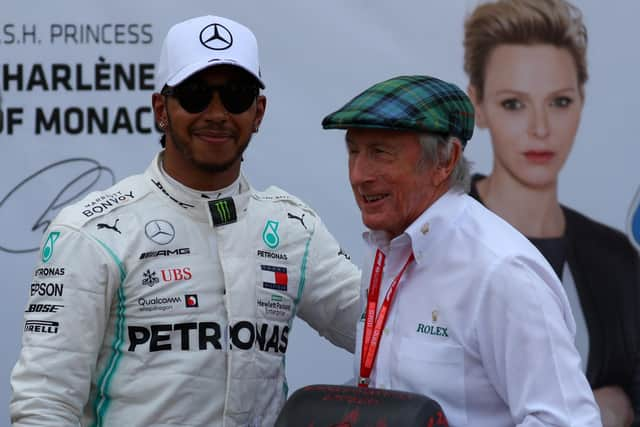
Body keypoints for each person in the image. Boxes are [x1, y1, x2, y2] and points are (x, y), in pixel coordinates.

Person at [10, 15, 361, 427]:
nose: (216, 113)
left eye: (236, 95)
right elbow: (44, 405)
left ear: (258, 110)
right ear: (162, 107)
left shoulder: (292, 228)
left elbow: (383, 334)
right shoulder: (92, 231)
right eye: (195, 95)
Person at [321, 75, 601, 426]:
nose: (359, 174)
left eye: (380, 153)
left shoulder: (501, 270)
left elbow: (567, 422)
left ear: (445, 160)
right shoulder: (386, 248)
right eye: (353, 152)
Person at [463, 1, 640, 425]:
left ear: (581, 102)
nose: (540, 128)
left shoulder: (616, 256)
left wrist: (623, 408)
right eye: (514, 104)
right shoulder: (438, 235)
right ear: (479, 106)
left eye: (559, 101)